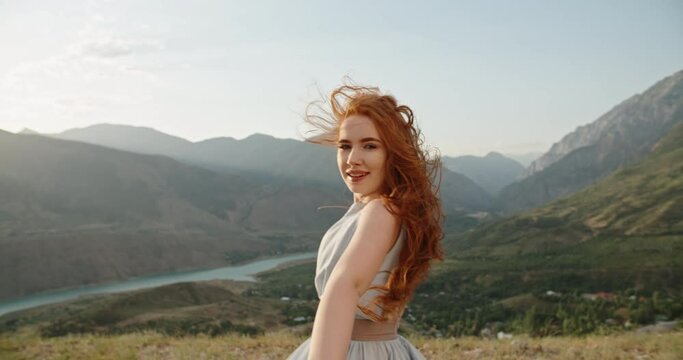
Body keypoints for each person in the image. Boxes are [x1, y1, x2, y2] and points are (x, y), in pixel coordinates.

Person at [287, 82, 444, 360]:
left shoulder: (381, 210)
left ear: (391, 155)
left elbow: (344, 287)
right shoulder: (378, 209)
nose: (352, 159)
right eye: (344, 146)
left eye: (369, 146)